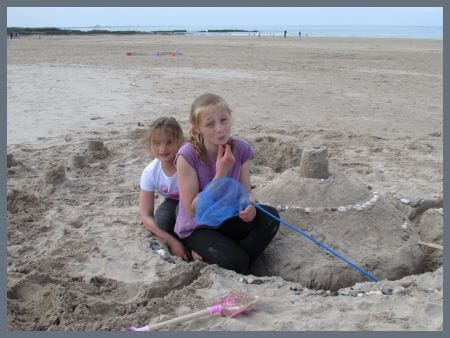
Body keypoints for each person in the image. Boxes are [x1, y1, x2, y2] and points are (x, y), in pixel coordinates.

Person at [174, 93, 280, 274]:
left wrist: (249, 205)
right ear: (197, 127)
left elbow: (246, 191)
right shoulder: (188, 155)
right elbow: (193, 209)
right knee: (237, 262)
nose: (220, 129)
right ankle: (233, 260)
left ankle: (236, 258)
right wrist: (221, 172)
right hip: (198, 226)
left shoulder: (240, 148)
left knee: (270, 217)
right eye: (210, 124)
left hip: (227, 218)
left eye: (224, 120)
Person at [139, 116, 191, 260]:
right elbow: (145, 215)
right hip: (174, 201)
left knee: (181, 212)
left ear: (180, 141)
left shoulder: (189, 161)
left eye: (169, 142)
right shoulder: (150, 172)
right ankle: (178, 242)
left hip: (195, 202)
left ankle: (192, 246)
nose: (162, 149)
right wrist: (171, 241)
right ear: (150, 144)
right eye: (156, 143)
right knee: (161, 219)